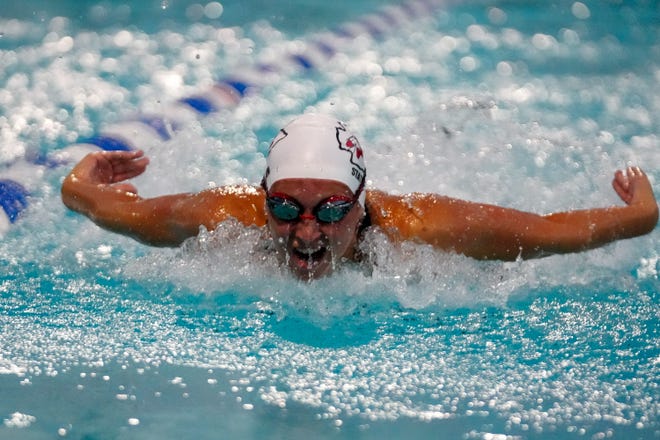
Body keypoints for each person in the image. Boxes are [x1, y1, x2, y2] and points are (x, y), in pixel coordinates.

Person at [61, 113, 658, 280]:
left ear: (362, 202)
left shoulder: (420, 229)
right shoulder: (224, 214)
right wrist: (80, 178)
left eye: (332, 211)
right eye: (287, 208)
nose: (307, 233)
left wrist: (642, 214)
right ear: (263, 194)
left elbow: (551, 231)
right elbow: (112, 210)